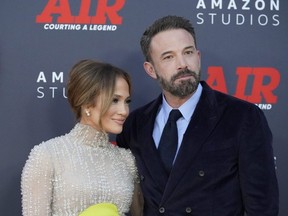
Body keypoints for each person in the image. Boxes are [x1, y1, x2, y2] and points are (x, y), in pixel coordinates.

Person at [116, 15, 279, 215]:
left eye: (188, 52)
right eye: (168, 57)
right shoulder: (135, 124)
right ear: (151, 69)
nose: (183, 64)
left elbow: (262, 208)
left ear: (198, 56)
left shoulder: (242, 117)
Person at [21, 59, 143, 216]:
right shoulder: (47, 155)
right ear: (87, 103)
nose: (124, 111)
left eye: (127, 101)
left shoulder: (126, 160)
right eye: (114, 100)